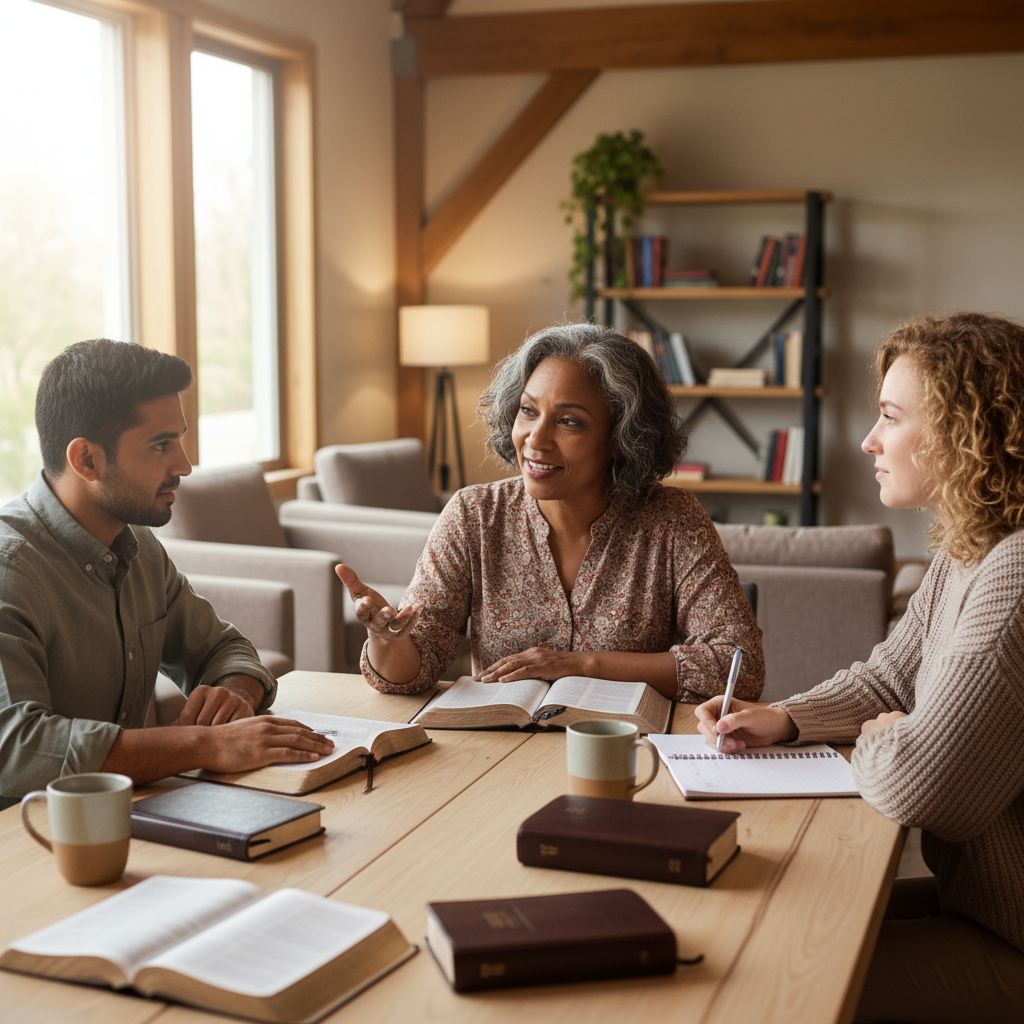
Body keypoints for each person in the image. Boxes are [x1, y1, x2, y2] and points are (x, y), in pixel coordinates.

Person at [695, 312, 1024, 1023]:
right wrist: (785, 718)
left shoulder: (1017, 571)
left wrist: (889, 740)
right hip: (980, 911)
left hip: (1012, 944)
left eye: (889, 416)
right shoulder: (969, 550)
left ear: (967, 430)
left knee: (774, 996)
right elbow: (888, 680)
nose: (869, 439)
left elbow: (926, 787)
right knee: (769, 933)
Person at [337, 322, 764, 701]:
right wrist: (387, 641)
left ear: (620, 436)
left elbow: (739, 668)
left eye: (569, 421)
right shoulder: (474, 515)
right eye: (528, 411)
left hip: (627, 753)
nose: (534, 439)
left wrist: (580, 664)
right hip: (500, 759)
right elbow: (411, 674)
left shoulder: (673, 520)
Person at [0, 339, 333, 810]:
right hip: (23, 844)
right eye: (161, 445)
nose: (185, 465)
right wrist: (207, 745)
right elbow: (17, 748)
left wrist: (234, 692)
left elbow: (225, 648)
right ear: (86, 460)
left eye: (179, 438)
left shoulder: (139, 546)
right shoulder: (9, 571)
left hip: (130, 818)